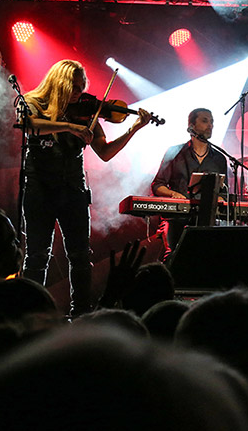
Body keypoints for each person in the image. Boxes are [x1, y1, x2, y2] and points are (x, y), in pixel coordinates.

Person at [21, 59, 152, 316]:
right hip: (39, 187)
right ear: (61, 83)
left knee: (80, 256)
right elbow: (32, 127)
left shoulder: (87, 111)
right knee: (37, 254)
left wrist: (134, 129)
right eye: (76, 87)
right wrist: (70, 126)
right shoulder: (33, 101)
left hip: (74, 189)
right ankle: (29, 312)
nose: (80, 94)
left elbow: (104, 152)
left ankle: (80, 314)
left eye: (82, 88)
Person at [152, 108, 230, 256]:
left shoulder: (219, 158)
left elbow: (224, 191)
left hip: (208, 219)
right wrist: (173, 193)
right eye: (205, 121)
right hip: (177, 218)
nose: (210, 125)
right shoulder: (174, 152)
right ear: (191, 126)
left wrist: (220, 198)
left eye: (212, 122)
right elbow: (157, 185)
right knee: (174, 256)